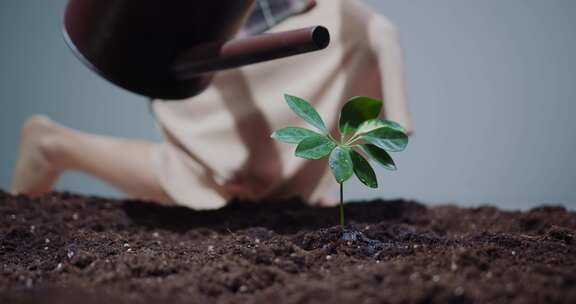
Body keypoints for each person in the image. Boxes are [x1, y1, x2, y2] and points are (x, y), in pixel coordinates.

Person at [11, 0, 412, 209]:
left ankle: (55, 145)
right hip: (216, 75)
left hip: (266, 58)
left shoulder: (359, 30)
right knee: (219, 182)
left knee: (241, 193)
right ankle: (53, 145)